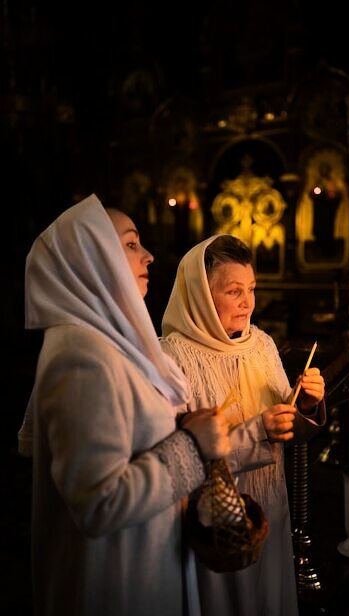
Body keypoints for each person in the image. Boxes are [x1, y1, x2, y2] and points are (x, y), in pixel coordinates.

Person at [17, 193, 231, 616]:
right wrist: (191, 445)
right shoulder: (79, 356)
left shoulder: (113, 344)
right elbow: (99, 503)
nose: (149, 256)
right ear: (92, 256)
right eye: (132, 244)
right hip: (117, 580)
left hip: (145, 562)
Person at [160, 234, 326, 616]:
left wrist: (306, 404)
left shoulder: (262, 345)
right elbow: (177, 456)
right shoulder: (173, 358)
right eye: (234, 291)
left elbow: (288, 426)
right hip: (217, 522)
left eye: (251, 289)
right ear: (201, 294)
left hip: (271, 507)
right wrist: (258, 432)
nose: (248, 302)